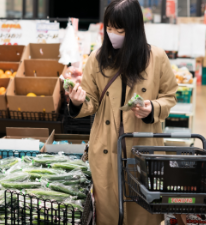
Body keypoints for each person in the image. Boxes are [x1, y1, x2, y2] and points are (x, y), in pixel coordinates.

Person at [68, 0, 178, 224]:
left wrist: (152, 108)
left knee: (144, 210)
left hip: (143, 148)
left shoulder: (156, 58)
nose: (113, 35)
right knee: (109, 210)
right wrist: (78, 102)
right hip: (106, 149)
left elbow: (169, 97)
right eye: (109, 29)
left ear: (135, 29)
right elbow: (91, 100)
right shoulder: (98, 59)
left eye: (120, 30)